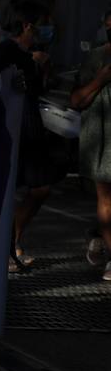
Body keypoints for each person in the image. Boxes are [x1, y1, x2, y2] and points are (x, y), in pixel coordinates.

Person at [0, 1, 58, 270]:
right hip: (12, 127)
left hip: (31, 124)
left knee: (40, 188)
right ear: (28, 26)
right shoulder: (5, 51)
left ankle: (14, 241)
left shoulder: (34, 54)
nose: (48, 29)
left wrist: (41, 68)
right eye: (44, 23)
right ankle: (8, 249)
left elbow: (38, 88)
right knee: (10, 189)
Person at [71, 17, 111, 281]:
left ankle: (98, 235)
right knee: (107, 201)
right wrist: (101, 79)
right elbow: (76, 100)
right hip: (103, 142)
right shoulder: (96, 58)